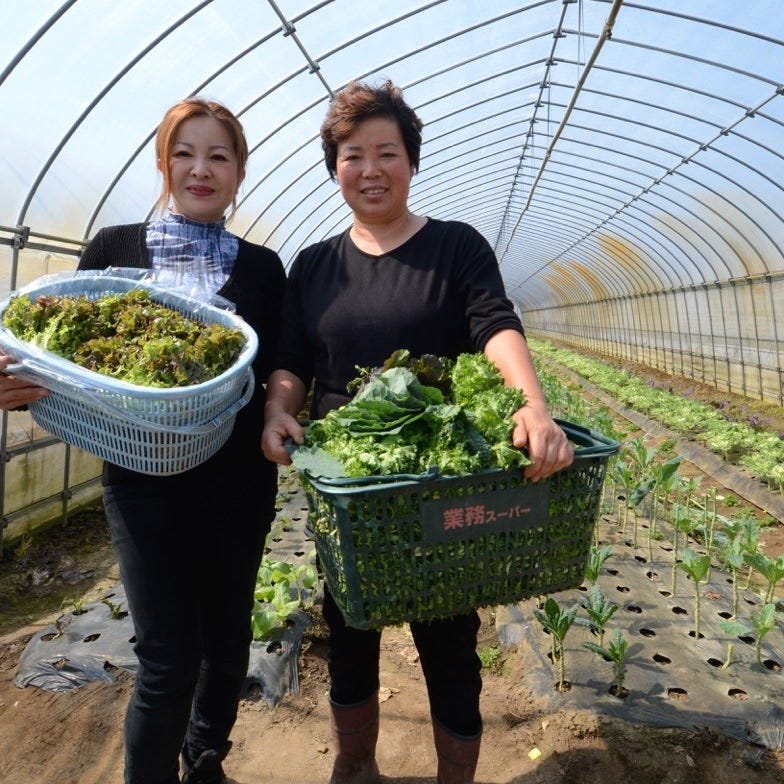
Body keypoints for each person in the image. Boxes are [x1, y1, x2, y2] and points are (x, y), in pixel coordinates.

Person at [261, 80, 574, 784]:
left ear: (411, 161)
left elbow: (495, 325)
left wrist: (533, 405)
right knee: (349, 630)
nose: (370, 169)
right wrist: (280, 408)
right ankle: (354, 767)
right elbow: (292, 361)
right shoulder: (314, 265)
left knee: (450, 638)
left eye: (387, 153)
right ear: (334, 166)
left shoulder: (455, 247)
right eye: (353, 155)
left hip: (440, 482)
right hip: (349, 488)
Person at [0, 97, 286, 784]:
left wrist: (282, 410)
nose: (200, 169)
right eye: (184, 153)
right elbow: (56, 352)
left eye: (218, 156)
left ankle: (205, 760)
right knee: (167, 655)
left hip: (239, 481)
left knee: (228, 638)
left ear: (239, 171)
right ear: (163, 163)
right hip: (139, 481)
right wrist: (14, 378)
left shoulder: (264, 269)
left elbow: (281, 366)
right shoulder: (113, 250)